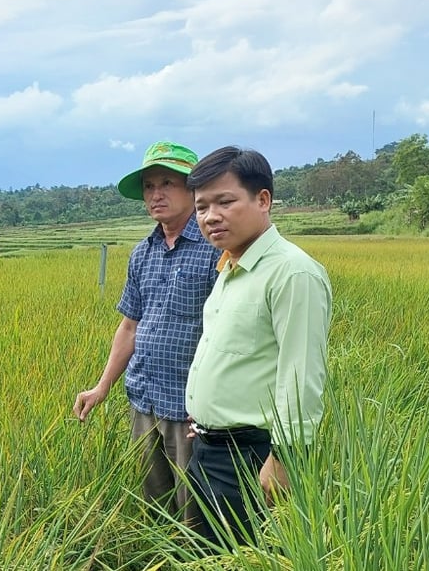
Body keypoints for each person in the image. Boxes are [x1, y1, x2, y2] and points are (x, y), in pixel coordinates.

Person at [183, 146, 333, 547]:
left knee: (244, 554)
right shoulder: (231, 267)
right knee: (207, 552)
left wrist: (283, 461)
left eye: (225, 201)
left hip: (253, 459)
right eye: (201, 207)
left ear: (262, 199)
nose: (210, 216)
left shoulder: (292, 272)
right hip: (209, 449)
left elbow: (301, 377)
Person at [73, 141, 221, 517]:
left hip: (192, 409)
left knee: (197, 511)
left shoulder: (215, 249)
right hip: (145, 400)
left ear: (193, 189)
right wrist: (102, 385)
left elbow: (231, 333)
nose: (156, 194)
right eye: (149, 186)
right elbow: (129, 326)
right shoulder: (143, 252)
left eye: (167, 183)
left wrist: (215, 406)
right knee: (154, 507)